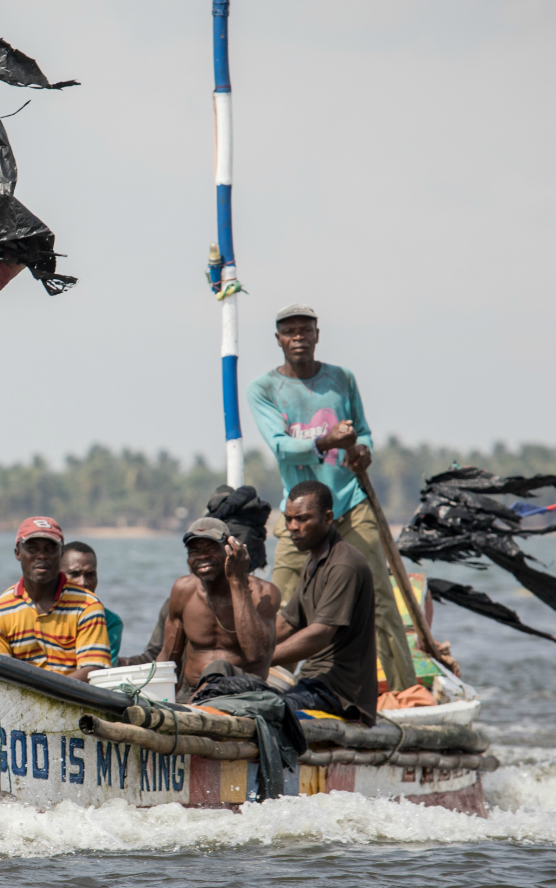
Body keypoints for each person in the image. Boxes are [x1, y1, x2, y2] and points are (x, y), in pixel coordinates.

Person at [247, 302, 417, 694]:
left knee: (378, 599)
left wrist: (362, 450)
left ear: (318, 335)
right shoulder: (265, 389)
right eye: (290, 332)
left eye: (306, 330)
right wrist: (327, 440)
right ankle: (267, 685)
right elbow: (281, 446)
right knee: (283, 601)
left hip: (350, 503)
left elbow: (364, 434)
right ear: (278, 340)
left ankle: (404, 691)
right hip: (300, 511)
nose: (298, 338)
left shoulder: (342, 379)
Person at [270, 480, 378, 726]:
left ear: (328, 517)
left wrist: (263, 658)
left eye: (302, 519)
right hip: (313, 682)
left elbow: (320, 634)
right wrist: (241, 648)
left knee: (269, 710)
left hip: (342, 694)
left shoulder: (344, 565)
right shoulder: (312, 561)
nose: (292, 527)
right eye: (288, 519)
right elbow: (288, 623)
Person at [155, 517, 280, 699]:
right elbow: (169, 656)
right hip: (192, 695)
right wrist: (157, 699)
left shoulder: (262, 593)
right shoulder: (184, 590)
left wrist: (237, 580)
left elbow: (257, 654)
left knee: (219, 667)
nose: (202, 556)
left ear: (230, 549)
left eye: (211, 549)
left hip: (243, 694)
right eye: (194, 551)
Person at [0, 516, 112, 679]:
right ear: (17, 553)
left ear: (61, 554)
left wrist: (46, 691)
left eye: (50, 549)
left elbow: (94, 669)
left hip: (75, 701)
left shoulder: (88, 605)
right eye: (33, 548)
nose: (42, 556)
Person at [59, 541, 124, 663]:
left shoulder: (110, 622)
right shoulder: (40, 611)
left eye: (90, 574)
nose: (83, 582)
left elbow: (96, 673)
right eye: (74, 574)